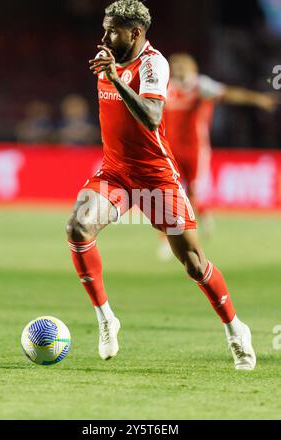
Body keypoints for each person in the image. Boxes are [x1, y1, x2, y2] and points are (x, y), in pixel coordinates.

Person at [66, 0, 256, 370]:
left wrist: (117, 78)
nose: (104, 36)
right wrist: (112, 72)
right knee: (78, 227)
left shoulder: (154, 64)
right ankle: (106, 318)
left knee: (194, 263)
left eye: (113, 30)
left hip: (155, 176)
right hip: (116, 172)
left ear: (135, 33)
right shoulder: (106, 59)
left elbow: (152, 118)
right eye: (105, 28)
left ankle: (236, 329)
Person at [158, 53, 277, 259]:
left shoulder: (200, 85)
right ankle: (167, 241)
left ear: (192, 68)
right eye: (174, 66)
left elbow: (230, 94)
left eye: (182, 66)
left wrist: (258, 99)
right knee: (165, 193)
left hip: (195, 149)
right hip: (169, 149)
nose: (177, 70)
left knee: (193, 193)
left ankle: (198, 220)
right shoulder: (164, 87)